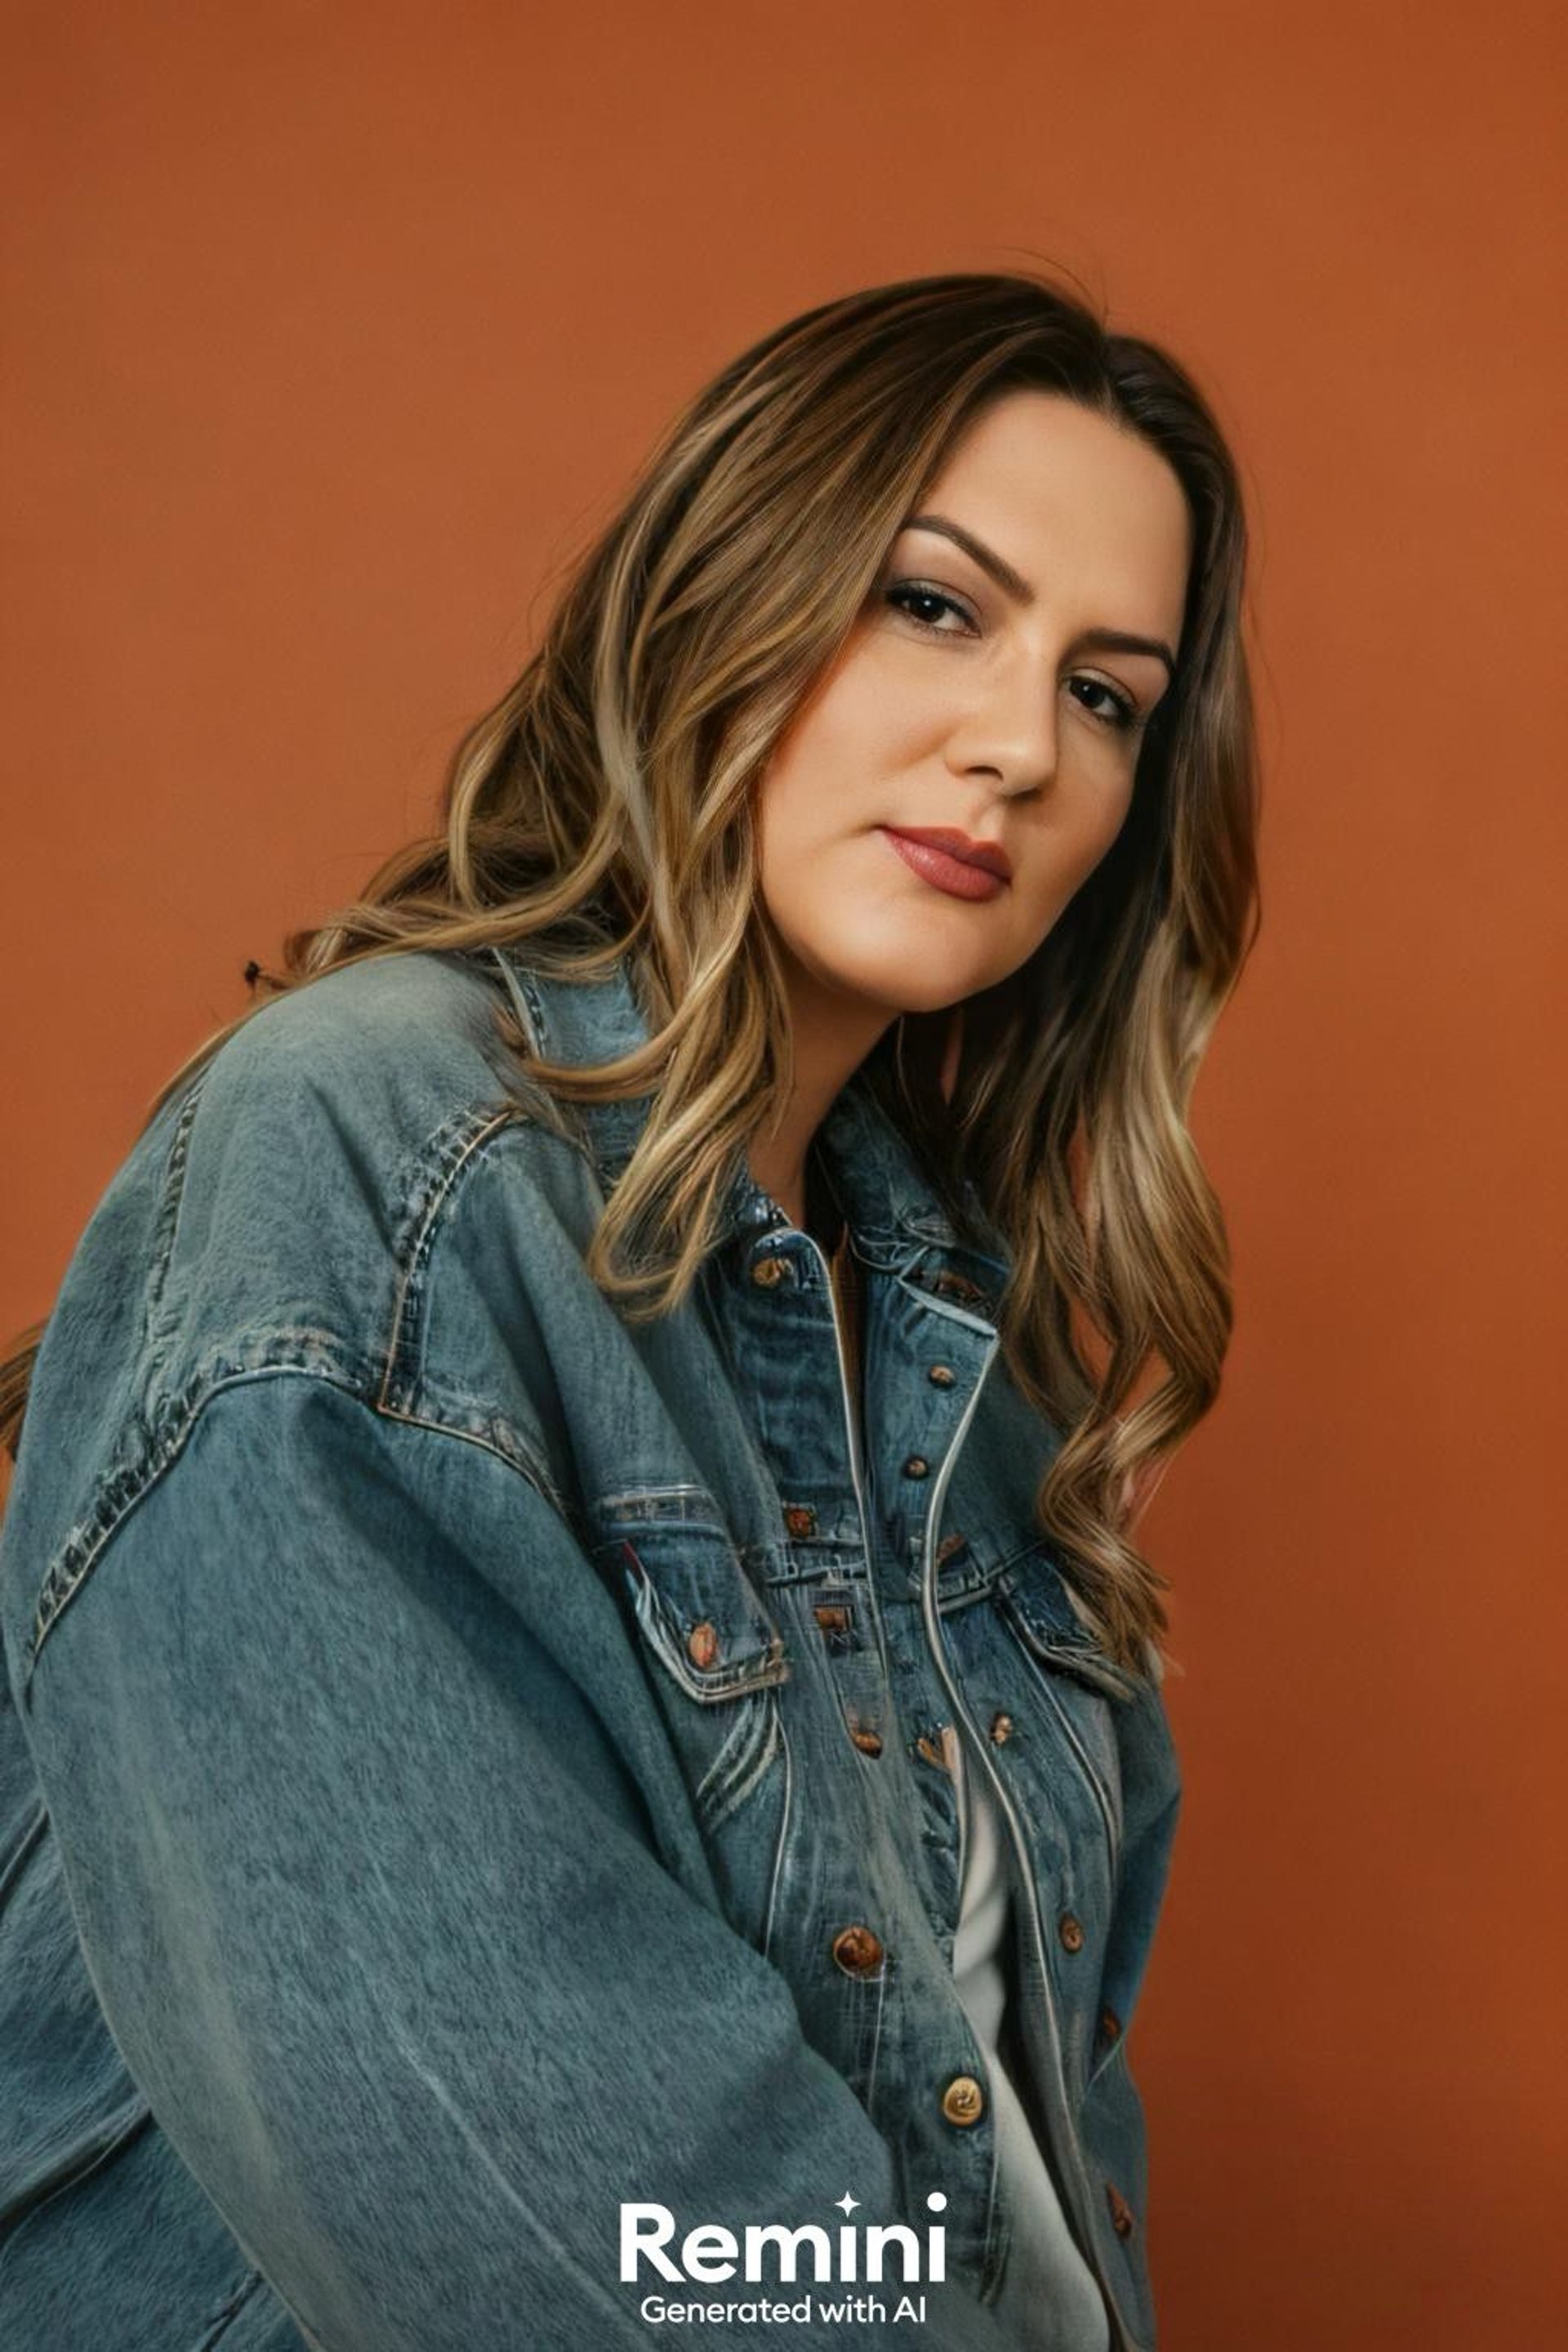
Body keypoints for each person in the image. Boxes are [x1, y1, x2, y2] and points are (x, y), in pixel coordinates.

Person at [0, 270, 1258, 2350]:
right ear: (725, 591)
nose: (1021, 745)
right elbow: (587, 2217)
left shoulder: (973, 1364)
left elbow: (1026, 2156)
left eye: (1109, 696)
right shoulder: (375, 1167)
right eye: (933, 604)